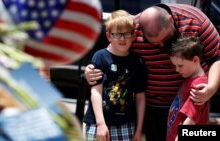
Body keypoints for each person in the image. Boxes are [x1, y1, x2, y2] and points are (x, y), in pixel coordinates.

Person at [84, 3, 220, 141]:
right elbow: (113, 52)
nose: (161, 45)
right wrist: (92, 70)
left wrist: (211, 88)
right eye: (153, 43)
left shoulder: (197, 22)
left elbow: (217, 57)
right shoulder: (133, 27)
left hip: (188, 100)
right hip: (150, 107)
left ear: (170, 21)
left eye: (165, 39)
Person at [83, 10, 146, 141]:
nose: (122, 38)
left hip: (126, 124)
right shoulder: (100, 57)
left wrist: (139, 130)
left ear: (133, 36)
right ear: (109, 36)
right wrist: (100, 124)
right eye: (117, 34)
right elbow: (96, 92)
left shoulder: (137, 62)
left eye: (127, 34)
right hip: (98, 123)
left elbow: (140, 97)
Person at [166, 36, 209, 141]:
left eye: (180, 66)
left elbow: (192, 117)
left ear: (195, 60)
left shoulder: (198, 86)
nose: (176, 69)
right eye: (175, 66)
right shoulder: (190, 78)